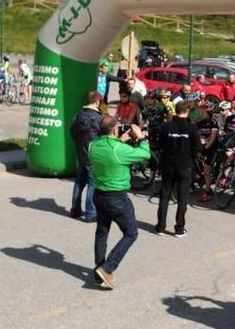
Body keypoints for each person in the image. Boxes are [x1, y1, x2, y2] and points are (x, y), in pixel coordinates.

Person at [89, 115, 152, 289]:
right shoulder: (118, 149)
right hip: (116, 197)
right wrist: (141, 137)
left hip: (99, 194)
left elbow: (110, 149)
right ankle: (108, 267)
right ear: (114, 130)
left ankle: (98, 271)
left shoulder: (92, 145)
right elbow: (145, 154)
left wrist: (120, 141)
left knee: (102, 232)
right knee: (131, 233)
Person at [156, 101, 202, 236]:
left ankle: (160, 227)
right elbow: (198, 148)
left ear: (175, 111)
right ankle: (179, 229)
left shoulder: (166, 126)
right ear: (187, 111)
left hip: (168, 164)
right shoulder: (192, 128)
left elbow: (161, 144)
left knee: (164, 195)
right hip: (185, 165)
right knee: (183, 198)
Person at [70, 91, 103, 221]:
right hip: (93, 154)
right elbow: (103, 134)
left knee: (79, 181)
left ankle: (75, 209)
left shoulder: (78, 115)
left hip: (80, 152)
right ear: (96, 101)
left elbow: (72, 131)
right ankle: (91, 213)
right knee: (92, 183)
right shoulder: (98, 117)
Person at [194, 101, 219, 202]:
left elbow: (212, 138)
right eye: (200, 111)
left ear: (208, 112)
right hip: (202, 145)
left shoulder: (213, 122)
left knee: (206, 170)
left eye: (203, 111)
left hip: (212, 147)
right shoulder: (199, 121)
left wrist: (203, 149)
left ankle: (208, 191)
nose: (201, 113)